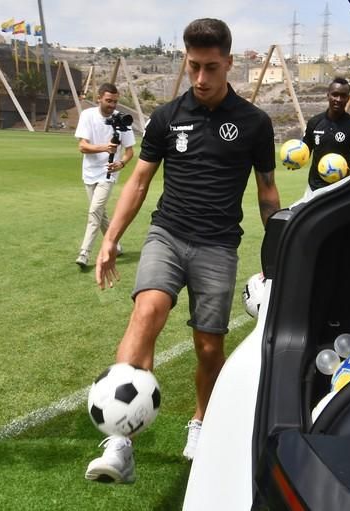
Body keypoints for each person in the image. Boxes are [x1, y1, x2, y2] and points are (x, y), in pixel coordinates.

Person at [84, 18, 281, 484]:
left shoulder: (254, 123)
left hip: (218, 246)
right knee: (145, 313)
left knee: (208, 345)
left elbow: (268, 191)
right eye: (193, 66)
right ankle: (119, 442)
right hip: (167, 235)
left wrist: (277, 255)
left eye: (211, 67)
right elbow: (139, 180)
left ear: (229, 64)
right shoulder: (168, 116)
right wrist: (110, 239)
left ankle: (200, 422)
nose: (201, 78)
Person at [74, 83, 135, 268]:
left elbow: (130, 151)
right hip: (89, 172)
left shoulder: (122, 120)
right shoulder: (87, 115)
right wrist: (105, 147)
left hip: (108, 174)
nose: (112, 105)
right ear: (99, 98)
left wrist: (121, 163)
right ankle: (115, 244)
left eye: (115, 102)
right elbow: (82, 147)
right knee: (101, 214)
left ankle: (84, 253)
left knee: (94, 212)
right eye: (108, 101)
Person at [302, 77, 350, 198]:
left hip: (341, 189)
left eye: (343, 96)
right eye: (335, 95)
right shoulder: (314, 122)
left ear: (348, 98)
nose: (338, 99)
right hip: (314, 188)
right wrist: (295, 160)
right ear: (328, 95)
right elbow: (305, 150)